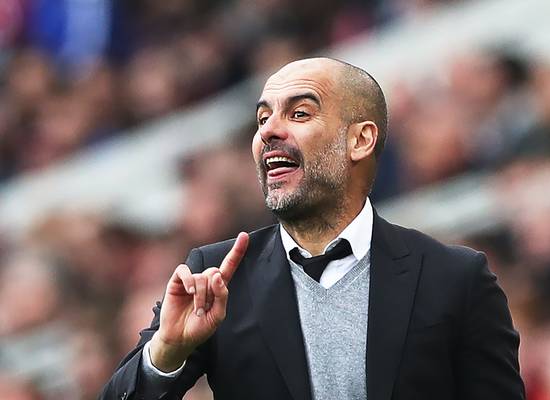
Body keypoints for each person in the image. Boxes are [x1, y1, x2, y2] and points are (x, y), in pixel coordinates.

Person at [100, 57, 525, 400]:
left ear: (360, 140)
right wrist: (166, 353)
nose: (269, 131)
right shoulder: (218, 276)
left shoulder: (454, 277)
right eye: (262, 118)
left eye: (299, 113)